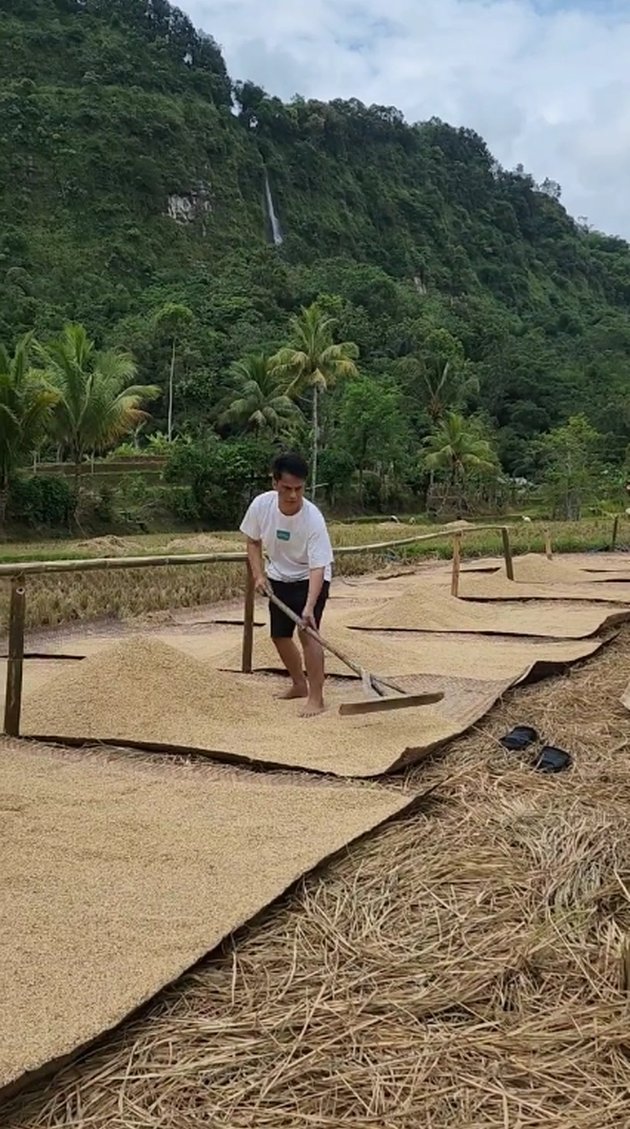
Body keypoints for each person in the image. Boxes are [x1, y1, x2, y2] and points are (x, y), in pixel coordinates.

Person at [240, 452, 333, 717]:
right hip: (278, 577)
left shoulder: (313, 519)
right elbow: (252, 541)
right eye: (287, 488)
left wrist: (309, 607)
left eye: (299, 489)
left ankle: (317, 697)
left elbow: (318, 566)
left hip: (310, 579)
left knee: (309, 634)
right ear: (275, 483)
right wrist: (259, 575)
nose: (293, 495)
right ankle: (298, 684)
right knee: (279, 635)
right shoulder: (261, 506)